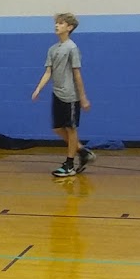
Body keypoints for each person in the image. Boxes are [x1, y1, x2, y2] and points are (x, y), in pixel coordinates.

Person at [30, 13, 93, 177]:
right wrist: (38, 89)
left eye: (61, 23)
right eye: (56, 23)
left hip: (71, 95)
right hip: (57, 93)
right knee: (57, 128)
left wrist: (83, 97)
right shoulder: (52, 49)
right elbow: (48, 72)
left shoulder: (72, 48)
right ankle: (82, 151)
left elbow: (77, 74)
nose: (57, 26)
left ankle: (70, 164)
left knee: (71, 129)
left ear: (69, 27)